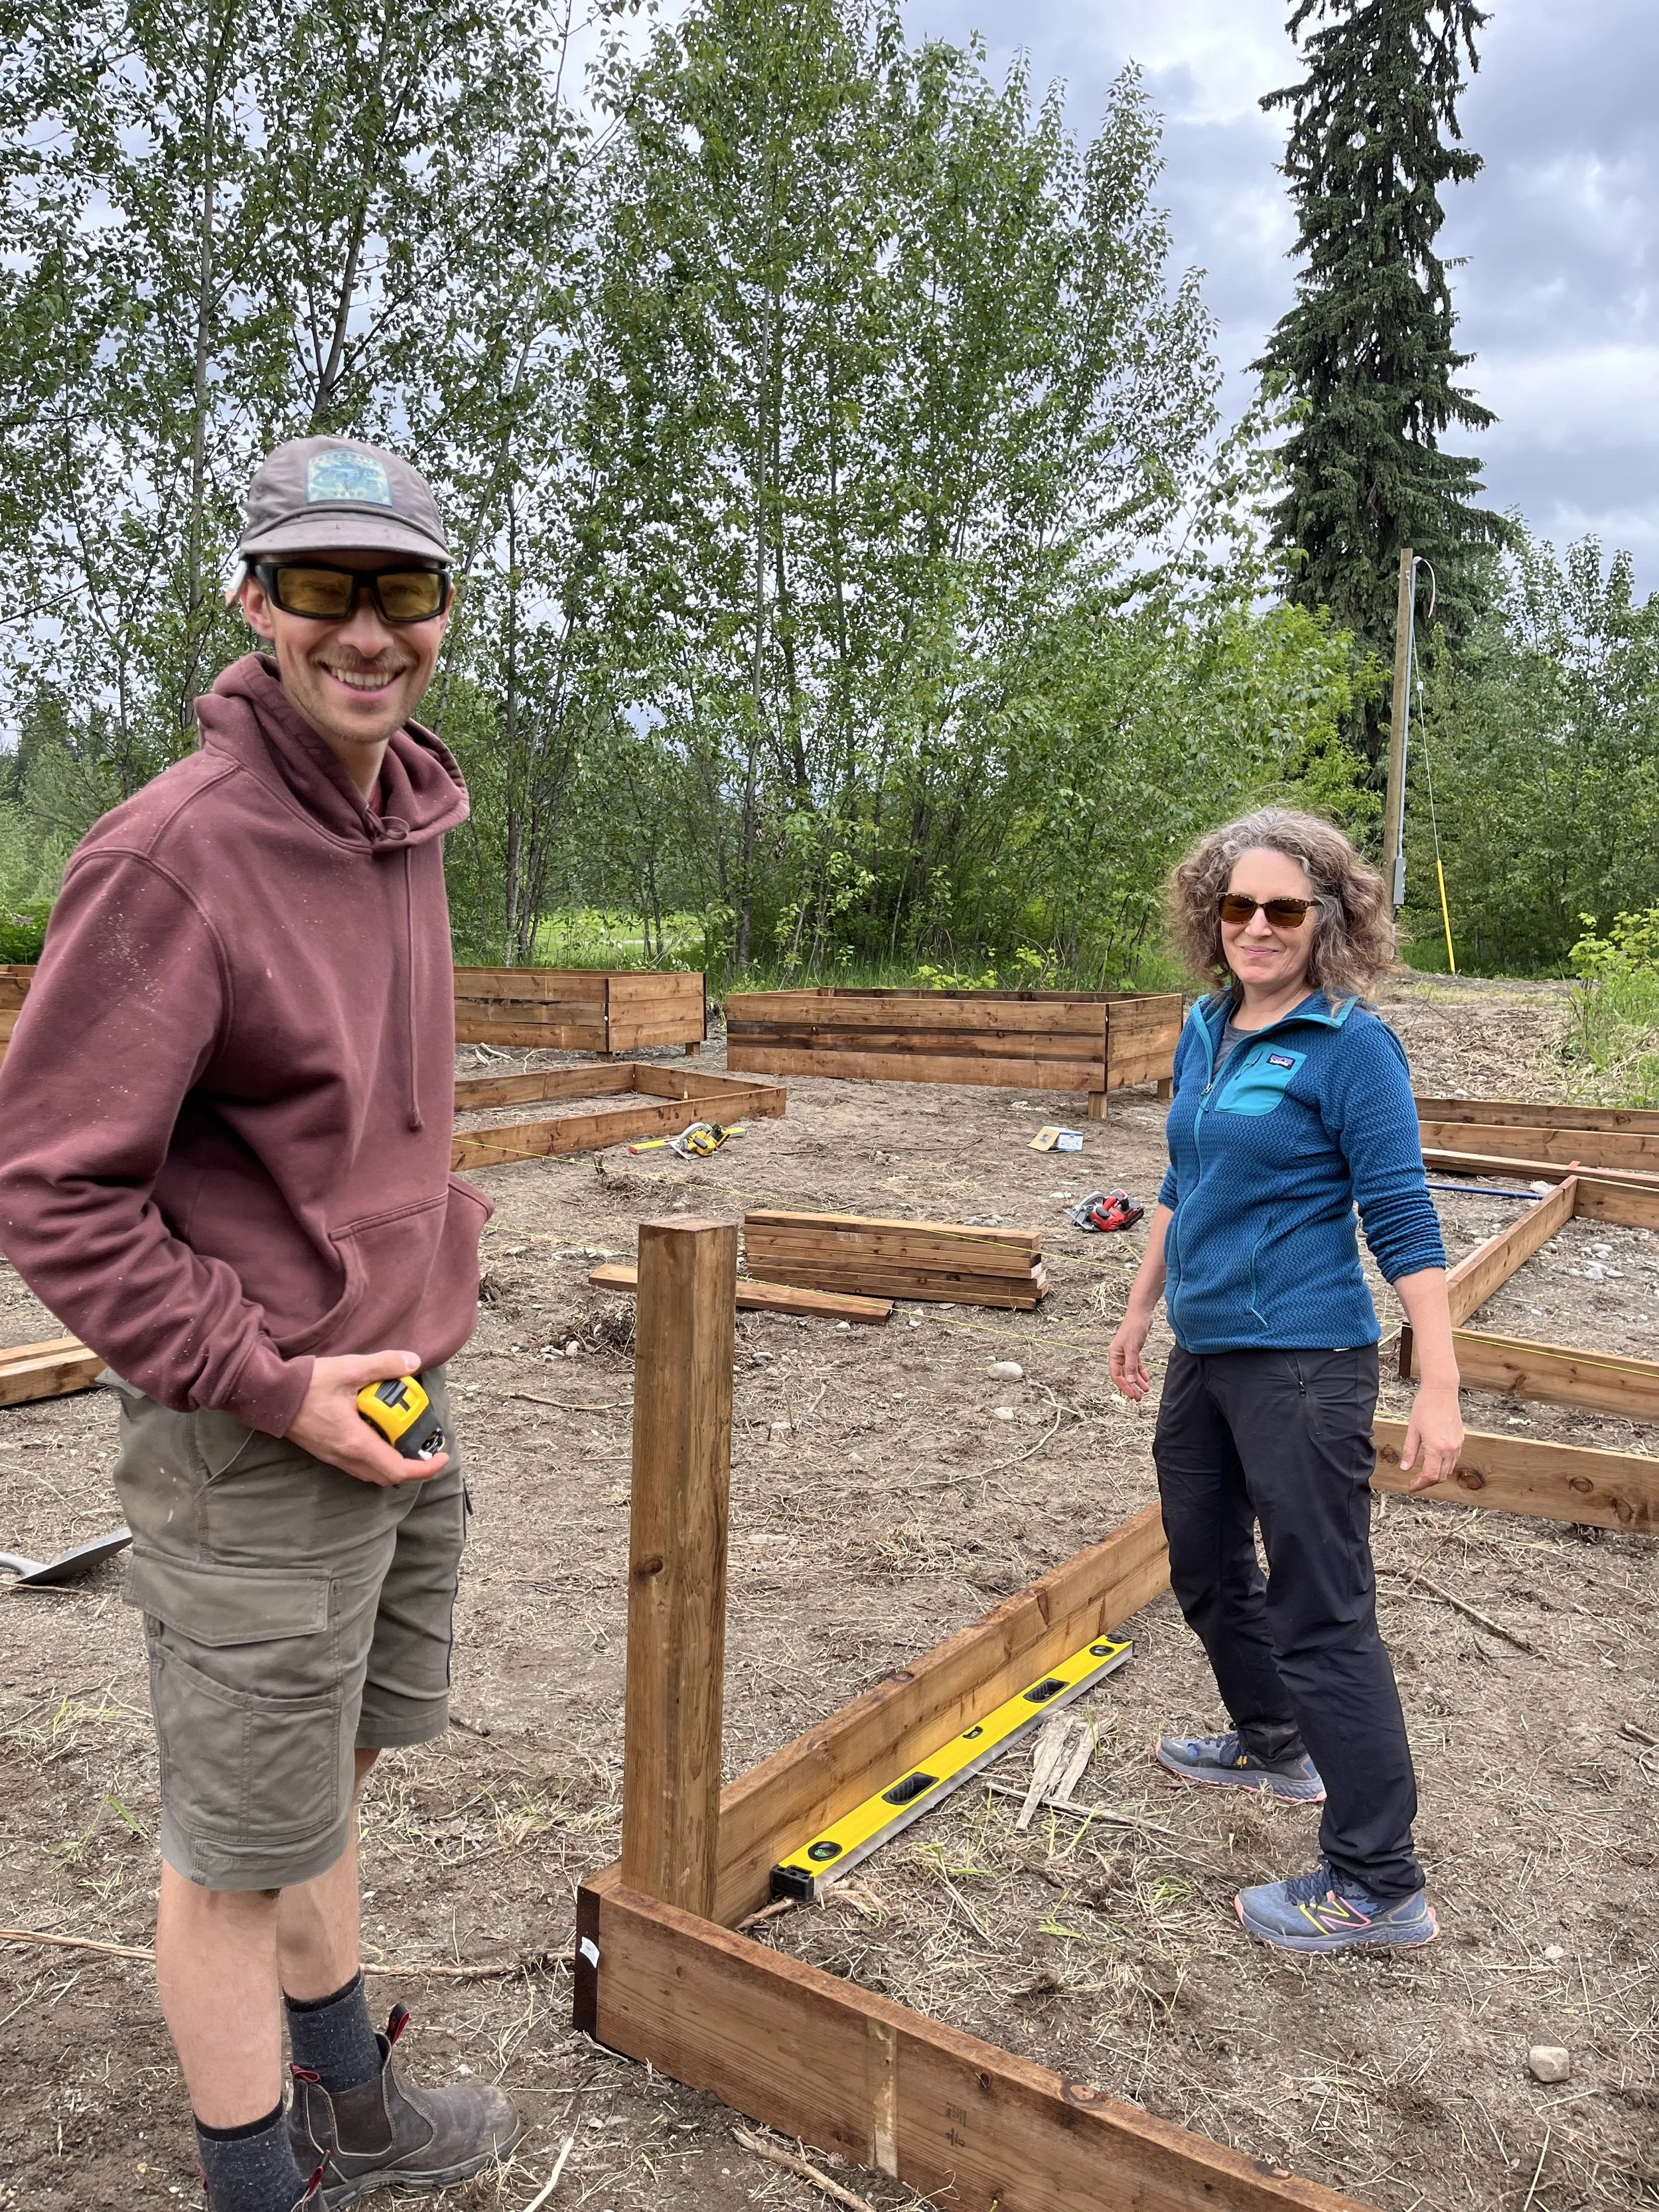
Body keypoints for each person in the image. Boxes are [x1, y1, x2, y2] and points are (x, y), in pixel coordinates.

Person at [0, 437, 522, 2209]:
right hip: (257, 1433)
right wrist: (264, 1377)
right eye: (322, 586)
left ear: (444, 608)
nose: (367, 628)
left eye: (403, 588)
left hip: (397, 1398)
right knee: (231, 1852)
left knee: (324, 1785)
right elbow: (49, 1187)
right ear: (254, 600)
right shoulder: (172, 859)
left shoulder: (405, 814)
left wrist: (416, 1256)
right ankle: (258, 2184)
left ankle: (347, 2107)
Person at [1108, 806, 1463, 1954]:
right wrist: (1139, 1305)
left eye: (1283, 909)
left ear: (1329, 919)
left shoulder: (1351, 1045)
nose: (1257, 926)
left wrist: (1440, 1383)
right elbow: (1182, 1175)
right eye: (1237, 906)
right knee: (1207, 1563)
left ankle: (1378, 1882)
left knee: (1322, 1611)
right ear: (1212, 917)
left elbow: (1403, 1218)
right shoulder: (1207, 1027)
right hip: (1206, 1351)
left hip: (1306, 1363)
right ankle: (1271, 1742)